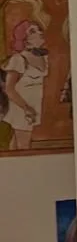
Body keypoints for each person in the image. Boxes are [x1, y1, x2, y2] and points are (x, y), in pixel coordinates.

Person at [2, 19, 50, 152]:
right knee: (24, 147)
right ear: (25, 38)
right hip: (22, 107)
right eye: (33, 31)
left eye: (39, 30)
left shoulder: (43, 57)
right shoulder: (18, 59)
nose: (39, 33)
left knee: (17, 144)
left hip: (34, 105)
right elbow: (9, 89)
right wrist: (26, 108)